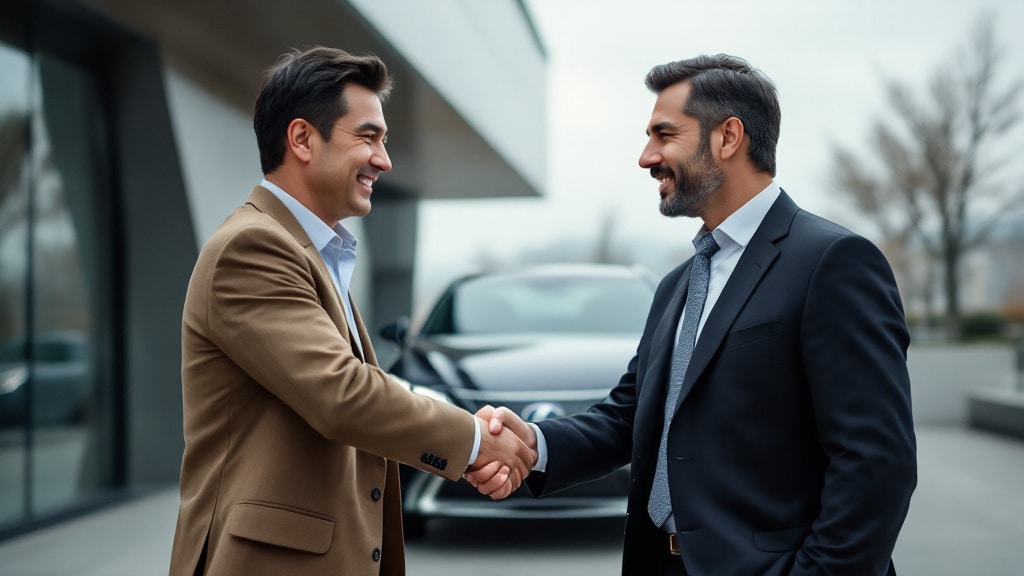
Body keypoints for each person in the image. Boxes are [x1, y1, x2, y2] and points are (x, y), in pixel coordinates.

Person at [469, 54, 917, 575]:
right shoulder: (677, 285)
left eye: (664, 134)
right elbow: (629, 416)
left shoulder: (833, 263)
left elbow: (875, 464)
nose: (646, 157)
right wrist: (533, 443)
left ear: (728, 137)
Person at [168, 46, 534, 576]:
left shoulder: (311, 250)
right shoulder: (250, 248)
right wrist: (475, 441)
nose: (384, 160)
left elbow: (358, 388)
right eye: (368, 137)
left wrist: (467, 428)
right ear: (301, 139)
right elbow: (342, 394)